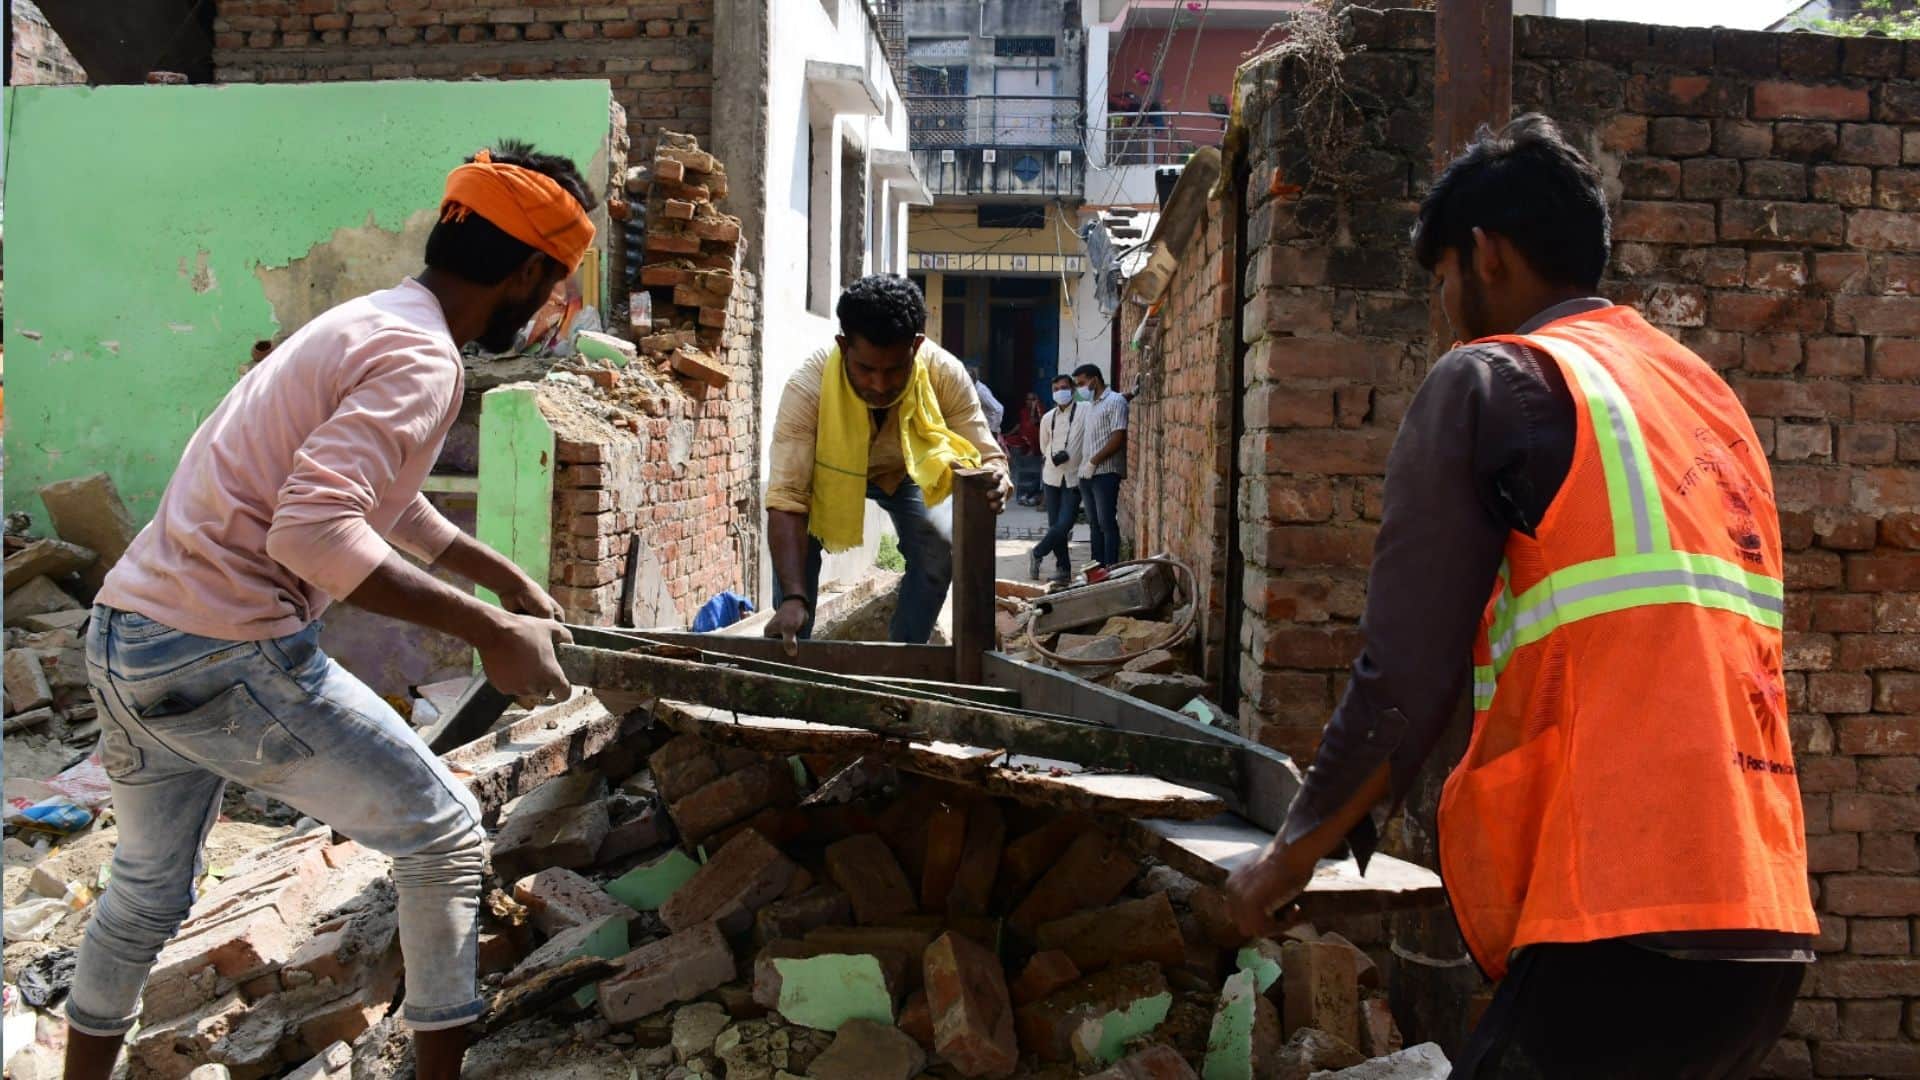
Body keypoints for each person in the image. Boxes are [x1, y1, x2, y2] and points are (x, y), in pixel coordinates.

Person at [1223, 115, 1816, 1078]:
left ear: (1485, 255)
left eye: (1442, 282)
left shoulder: (1495, 379)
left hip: (1618, 918)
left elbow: (1403, 678)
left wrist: (1288, 859)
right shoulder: (1702, 395)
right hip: (1762, 919)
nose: (1444, 308)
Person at [64, 142, 594, 1080]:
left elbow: (380, 493)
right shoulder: (423, 362)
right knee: (443, 837)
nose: (550, 306)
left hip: (125, 636)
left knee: (144, 894)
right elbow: (311, 536)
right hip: (224, 654)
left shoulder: (371, 322)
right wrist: (491, 633)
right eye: (555, 286)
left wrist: (495, 575)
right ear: (527, 273)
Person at [764, 275, 1011, 647]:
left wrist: (997, 478)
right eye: (866, 369)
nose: (879, 384)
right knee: (794, 593)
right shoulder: (807, 387)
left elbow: (987, 455)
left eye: (894, 369)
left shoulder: (945, 373)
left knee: (937, 550)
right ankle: (794, 650)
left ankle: (905, 657)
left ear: (916, 346)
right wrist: (793, 598)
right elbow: (786, 499)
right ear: (843, 345)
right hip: (823, 477)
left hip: (910, 472)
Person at [1029, 374, 1086, 583]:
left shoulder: (1084, 410)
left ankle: (1037, 552)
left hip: (1074, 476)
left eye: (1063, 387)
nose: (1060, 392)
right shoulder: (1047, 418)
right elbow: (1045, 446)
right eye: (1055, 389)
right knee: (1055, 523)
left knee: (1064, 524)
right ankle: (1063, 569)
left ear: (1072, 390)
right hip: (1052, 477)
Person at [1074, 363, 1128, 568]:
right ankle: (1096, 567)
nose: (1079, 388)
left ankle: (1110, 568)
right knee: (1094, 525)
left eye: (1081, 383)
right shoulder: (1092, 405)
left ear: (1094, 379)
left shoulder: (1115, 401)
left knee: (1107, 523)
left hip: (1105, 473)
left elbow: (1117, 438)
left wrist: (1093, 462)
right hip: (1087, 474)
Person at [1006, 390, 1047, 506]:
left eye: (1033, 399)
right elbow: (1020, 425)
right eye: (1028, 399)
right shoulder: (1023, 411)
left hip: (1036, 446)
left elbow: (1035, 422)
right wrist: (1008, 434)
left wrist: (1034, 409)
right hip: (1024, 444)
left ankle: (1033, 495)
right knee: (1024, 472)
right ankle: (1023, 495)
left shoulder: (1041, 411)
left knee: (1034, 472)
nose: (1030, 402)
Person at [968, 362, 1006, 434]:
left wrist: (993, 429)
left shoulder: (981, 391)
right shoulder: (972, 389)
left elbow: (999, 409)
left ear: (972, 380)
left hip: (988, 430)